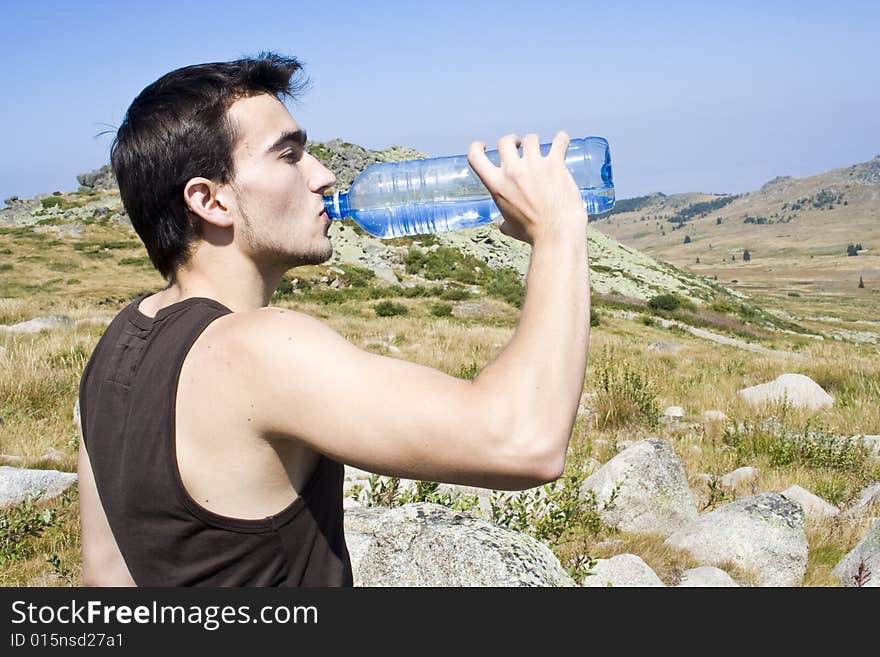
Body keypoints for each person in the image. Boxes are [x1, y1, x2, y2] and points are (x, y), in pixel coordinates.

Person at [76, 52, 591, 586]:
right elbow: (525, 441)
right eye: (288, 155)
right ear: (210, 200)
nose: (321, 175)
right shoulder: (254, 350)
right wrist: (557, 231)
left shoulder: (118, 344)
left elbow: (106, 576)